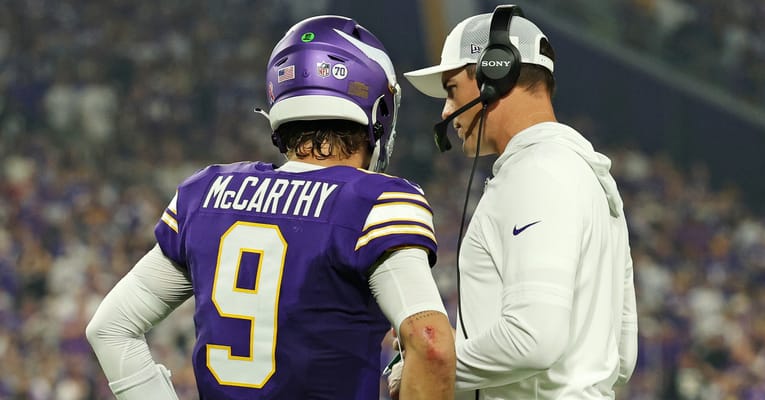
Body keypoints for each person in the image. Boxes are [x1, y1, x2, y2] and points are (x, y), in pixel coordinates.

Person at [85, 15, 456, 400]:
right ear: (378, 110)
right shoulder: (375, 202)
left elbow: (110, 328)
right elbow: (430, 344)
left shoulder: (206, 193)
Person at [390, 5, 639, 399]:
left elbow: (533, 337)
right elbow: (622, 356)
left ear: (494, 73)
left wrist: (428, 365)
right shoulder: (590, 175)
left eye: (452, 89)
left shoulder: (538, 171)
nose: (446, 110)